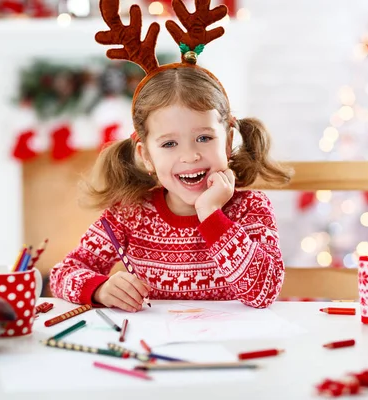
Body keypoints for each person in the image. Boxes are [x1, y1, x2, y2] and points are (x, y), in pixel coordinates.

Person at [49, 0, 291, 311]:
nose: (190, 156)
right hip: (152, 352)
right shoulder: (129, 214)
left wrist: (211, 214)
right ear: (146, 155)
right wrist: (99, 288)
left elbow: (264, 292)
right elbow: (62, 274)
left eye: (204, 138)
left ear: (228, 139)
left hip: (232, 352)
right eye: (169, 144)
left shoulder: (251, 210)